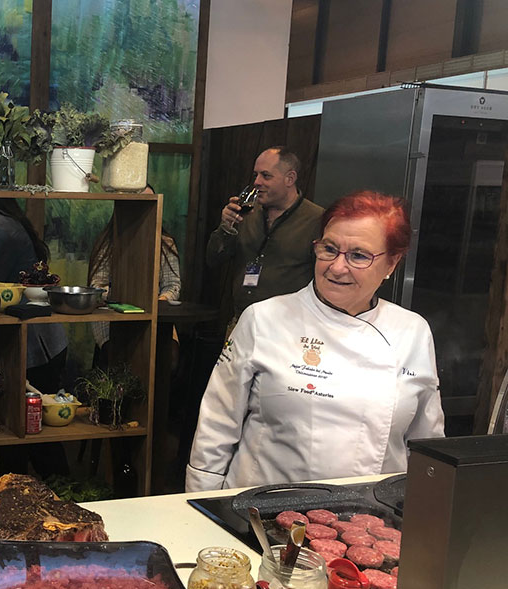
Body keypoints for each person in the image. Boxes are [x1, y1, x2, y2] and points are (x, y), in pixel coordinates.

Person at [186, 191, 445, 492]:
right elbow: (217, 422)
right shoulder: (263, 319)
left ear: (391, 264)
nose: (337, 267)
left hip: (370, 520)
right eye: (329, 249)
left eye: (358, 255)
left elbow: (426, 443)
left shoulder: (412, 331)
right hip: (263, 510)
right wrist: (202, 504)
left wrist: (426, 513)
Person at [0, 195, 69, 477]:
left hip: (35, 345)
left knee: (34, 438)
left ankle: (64, 497)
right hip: (24, 344)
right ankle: (12, 497)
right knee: (15, 433)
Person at [206, 147, 324, 320]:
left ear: (289, 178)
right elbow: (213, 260)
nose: (257, 182)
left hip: (288, 326)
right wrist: (226, 227)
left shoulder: (317, 220)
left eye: (266, 176)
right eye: (256, 175)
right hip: (242, 319)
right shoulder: (245, 214)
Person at [88, 184, 181, 364]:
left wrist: (157, 303)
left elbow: (173, 284)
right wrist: (125, 300)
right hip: (112, 314)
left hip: (156, 313)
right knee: (114, 356)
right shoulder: (108, 242)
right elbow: (97, 286)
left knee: (169, 358)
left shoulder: (165, 243)